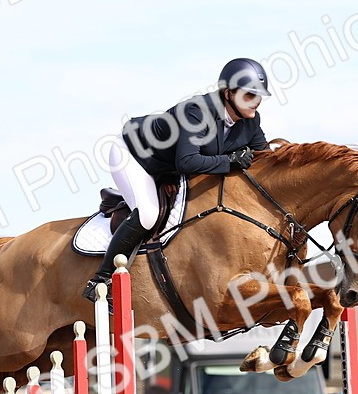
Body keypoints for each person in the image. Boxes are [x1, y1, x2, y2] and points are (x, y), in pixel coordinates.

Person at [82, 58, 273, 306]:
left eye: (259, 96)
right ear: (228, 94)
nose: (256, 101)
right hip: (133, 154)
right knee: (149, 215)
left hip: (168, 165)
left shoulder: (251, 121)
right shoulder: (196, 112)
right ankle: (100, 280)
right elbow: (188, 161)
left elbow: (265, 157)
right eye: (250, 95)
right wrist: (230, 161)